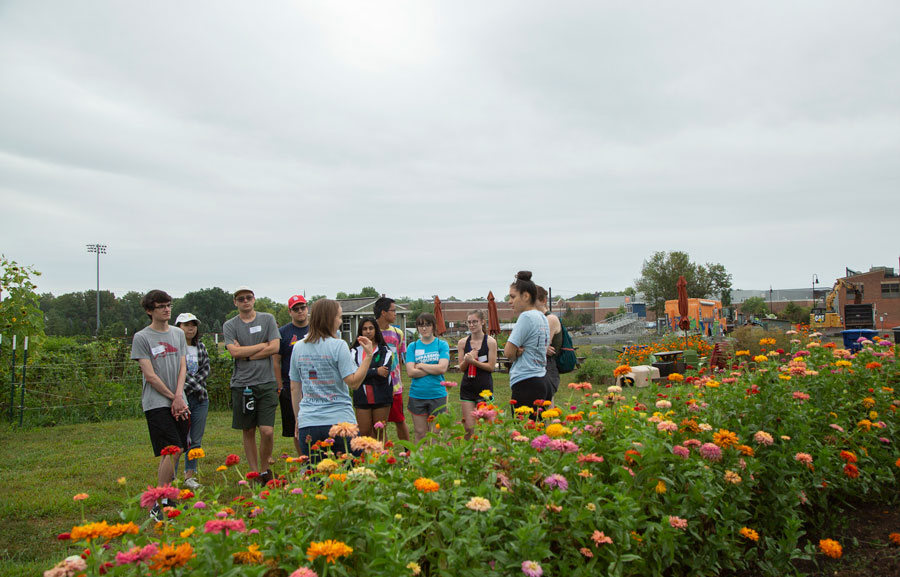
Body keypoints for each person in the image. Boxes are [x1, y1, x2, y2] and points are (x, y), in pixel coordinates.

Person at [289, 299, 374, 463]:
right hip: (341, 422)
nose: (341, 321)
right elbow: (353, 382)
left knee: (315, 478)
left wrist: (298, 418)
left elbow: (294, 388)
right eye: (339, 317)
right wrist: (368, 356)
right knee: (347, 477)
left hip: (309, 422)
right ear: (330, 319)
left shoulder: (298, 347)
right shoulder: (338, 345)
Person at [130, 290, 189, 519]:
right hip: (156, 402)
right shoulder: (142, 337)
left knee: (177, 450)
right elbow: (150, 375)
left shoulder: (178, 334)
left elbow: (183, 367)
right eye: (161, 306)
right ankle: (160, 502)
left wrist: (178, 396)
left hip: (179, 400)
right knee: (171, 449)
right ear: (149, 310)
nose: (166, 309)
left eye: (168, 305)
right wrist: (171, 397)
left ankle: (167, 498)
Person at [223, 286, 280, 484]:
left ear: (254, 299)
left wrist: (246, 353)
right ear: (235, 302)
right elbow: (234, 353)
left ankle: (265, 470)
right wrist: (262, 345)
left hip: (266, 382)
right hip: (242, 384)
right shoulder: (230, 325)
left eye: (248, 297)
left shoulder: (267, 319)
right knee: (248, 430)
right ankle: (255, 473)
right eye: (241, 299)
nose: (245, 301)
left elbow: (275, 347)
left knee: (267, 431)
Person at [504, 271, 550, 412]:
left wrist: (515, 353)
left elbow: (508, 352)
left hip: (526, 382)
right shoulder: (541, 316)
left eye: (513, 296)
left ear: (525, 296)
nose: (509, 301)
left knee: (523, 430)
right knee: (538, 429)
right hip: (541, 377)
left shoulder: (526, 317)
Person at [174, 312, 210, 490]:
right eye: (186, 324)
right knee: (178, 441)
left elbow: (205, 368)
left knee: (195, 440)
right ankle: (172, 476)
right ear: (178, 327)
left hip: (200, 398)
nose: (190, 328)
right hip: (181, 398)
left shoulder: (201, 347)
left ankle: (190, 475)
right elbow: (178, 373)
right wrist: (193, 384)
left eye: (193, 324)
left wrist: (196, 385)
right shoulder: (175, 349)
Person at [272, 295, 309, 457]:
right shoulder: (282, 333)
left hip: (315, 384)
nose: (300, 311)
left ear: (307, 308)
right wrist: (280, 387)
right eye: (296, 308)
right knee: (297, 426)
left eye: (302, 307)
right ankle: (304, 459)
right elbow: (276, 361)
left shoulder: (316, 329)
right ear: (290, 311)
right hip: (291, 386)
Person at [406, 312, 450, 443]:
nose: (424, 328)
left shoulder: (441, 345)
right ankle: (421, 462)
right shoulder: (412, 346)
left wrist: (421, 365)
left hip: (437, 394)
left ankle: (438, 462)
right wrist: (432, 368)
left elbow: (442, 368)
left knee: (437, 432)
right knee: (420, 433)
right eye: (420, 325)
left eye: (427, 325)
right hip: (417, 395)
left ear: (433, 327)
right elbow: (410, 372)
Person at [350, 317, 393, 441]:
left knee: (379, 431)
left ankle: (381, 459)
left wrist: (363, 374)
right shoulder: (354, 352)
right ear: (360, 331)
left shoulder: (385, 351)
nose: (368, 331)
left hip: (381, 395)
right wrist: (375, 371)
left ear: (376, 330)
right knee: (364, 432)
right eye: (364, 329)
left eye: (371, 328)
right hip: (361, 397)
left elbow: (384, 374)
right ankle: (366, 460)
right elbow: (353, 374)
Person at [374, 297, 410, 442]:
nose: (395, 314)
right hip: (376, 385)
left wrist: (399, 381)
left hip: (395, 387)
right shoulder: (371, 331)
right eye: (393, 310)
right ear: (383, 312)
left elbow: (399, 359)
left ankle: (408, 454)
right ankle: (385, 455)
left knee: (400, 420)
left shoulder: (397, 333)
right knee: (380, 425)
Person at [457, 310, 498, 439]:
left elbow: (491, 367)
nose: (472, 325)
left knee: (486, 427)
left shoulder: (490, 342)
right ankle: (470, 455)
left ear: (482, 322)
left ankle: (485, 454)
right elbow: (462, 368)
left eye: (475, 321)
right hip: (467, 387)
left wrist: (473, 362)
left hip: (484, 387)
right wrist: (467, 361)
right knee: (469, 427)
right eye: (469, 322)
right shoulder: (463, 343)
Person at [536, 286, 562, 401]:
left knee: (547, 403)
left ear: (543, 301)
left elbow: (543, 347)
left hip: (548, 366)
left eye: (533, 300)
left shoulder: (549, 319)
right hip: (541, 365)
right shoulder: (538, 318)